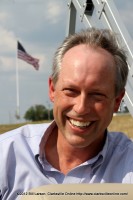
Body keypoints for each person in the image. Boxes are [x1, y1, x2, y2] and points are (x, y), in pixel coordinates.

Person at [0, 28, 133, 200]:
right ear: (52, 89)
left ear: (117, 100)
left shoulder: (128, 164)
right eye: (71, 91)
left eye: (97, 95)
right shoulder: (6, 155)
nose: (81, 108)